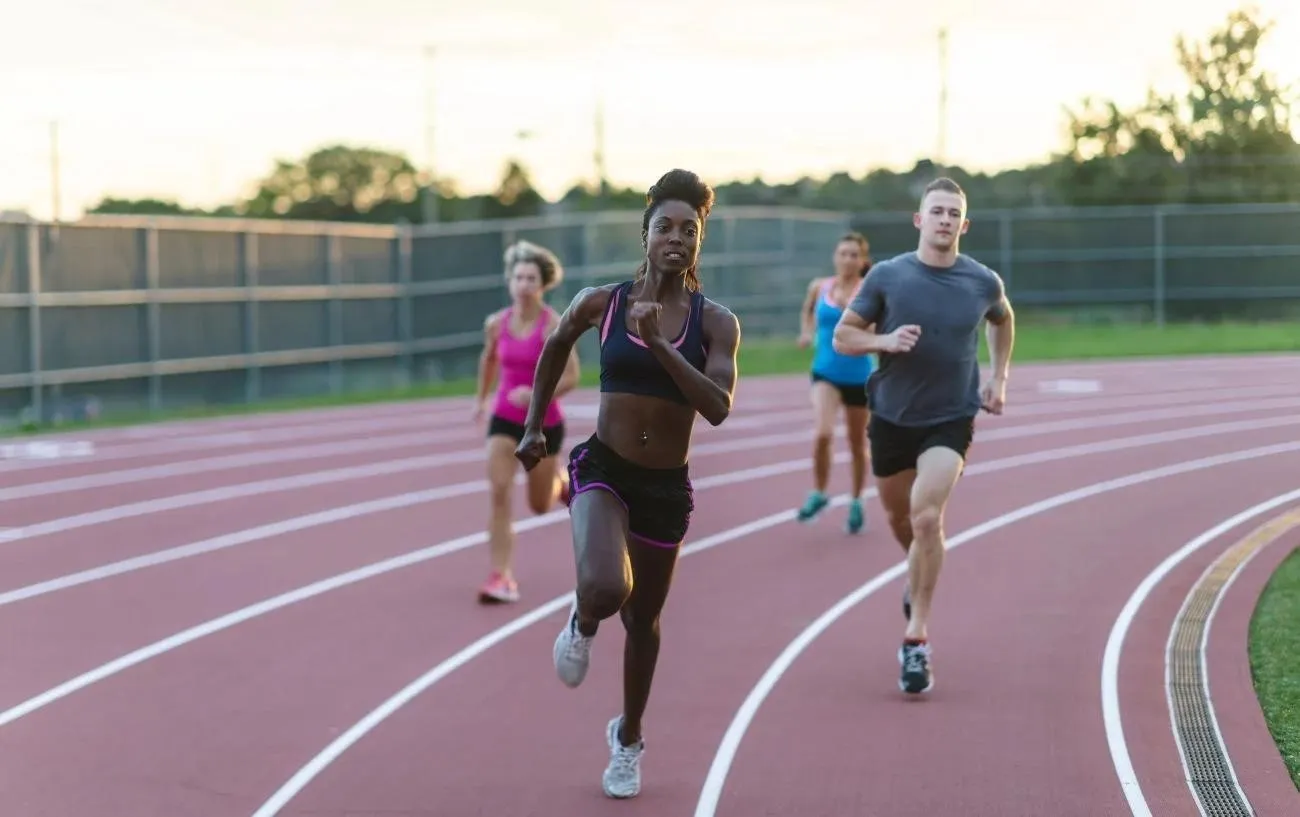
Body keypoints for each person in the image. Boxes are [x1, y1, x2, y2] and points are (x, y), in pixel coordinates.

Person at [514, 169, 741, 799]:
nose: (676, 238)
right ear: (645, 234)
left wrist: (661, 347)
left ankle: (628, 737)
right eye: (664, 226)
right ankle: (583, 621)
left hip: (665, 489)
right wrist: (533, 427)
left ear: (699, 243)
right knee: (606, 586)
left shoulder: (715, 322)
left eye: (688, 230)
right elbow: (554, 347)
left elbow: (718, 405)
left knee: (645, 621)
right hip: (604, 469)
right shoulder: (600, 303)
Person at [832, 176, 1015, 695]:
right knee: (901, 520)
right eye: (936, 211)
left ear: (964, 223)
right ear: (919, 220)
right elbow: (845, 336)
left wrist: (999, 377)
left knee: (928, 515)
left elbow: (1003, 320)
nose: (944, 220)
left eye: (953, 214)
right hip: (891, 417)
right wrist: (885, 339)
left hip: (950, 417)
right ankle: (917, 576)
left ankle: (916, 640)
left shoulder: (982, 281)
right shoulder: (889, 277)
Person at [472, 239, 579, 604]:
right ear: (510, 281)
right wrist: (481, 399)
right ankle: (500, 576)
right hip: (503, 419)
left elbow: (572, 377)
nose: (523, 285)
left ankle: (561, 483)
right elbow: (489, 360)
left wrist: (535, 396)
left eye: (531, 278)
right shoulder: (495, 324)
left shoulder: (554, 326)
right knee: (499, 493)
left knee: (538, 505)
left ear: (543, 283)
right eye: (518, 277)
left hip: (544, 424)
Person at [795, 231, 875, 534]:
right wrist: (806, 332)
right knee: (823, 433)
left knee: (857, 444)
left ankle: (856, 500)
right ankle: (819, 492)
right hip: (825, 373)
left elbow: (879, 325)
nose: (848, 259)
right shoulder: (820, 286)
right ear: (835, 256)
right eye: (843, 253)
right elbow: (807, 310)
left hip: (859, 377)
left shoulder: (870, 291)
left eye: (854, 254)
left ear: (862, 260)